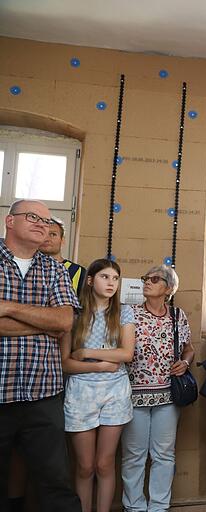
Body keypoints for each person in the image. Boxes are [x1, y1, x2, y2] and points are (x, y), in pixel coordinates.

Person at [0, 199, 81, 512]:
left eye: (47, 221)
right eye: (33, 216)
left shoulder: (54, 269)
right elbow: (52, 323)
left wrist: (7, 308)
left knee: (56, 484)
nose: (41, 224)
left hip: (43, 394)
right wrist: (40, 323)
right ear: (10, 221)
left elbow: (63, 322)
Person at [61, 258, 136, 512]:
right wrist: (100, 364)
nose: (111, 283)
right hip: (81, 391)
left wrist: (86, 352)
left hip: (115, 391)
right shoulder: (74, 312)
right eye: (105, 277)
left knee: (105, 464)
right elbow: (66, 364)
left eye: (115, 278)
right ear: (91, 280)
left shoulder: (124, 311)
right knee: (85, 466)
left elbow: (126, 354)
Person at [122, 265, 194, 512]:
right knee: (134, 456)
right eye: (145, 278)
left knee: (164, 455)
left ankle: (159, 507)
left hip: (168, 396)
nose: (147, 282)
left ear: (169, 289)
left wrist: (184, 363)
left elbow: (189, 348)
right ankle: (134, 507)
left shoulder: (178, 316)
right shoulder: (129, 314)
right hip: (134, 395)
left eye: (154, 279)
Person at [40, 216, 86, 296]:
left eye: (53, 234)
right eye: (43, 234)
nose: (47, 238)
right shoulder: (25, 267)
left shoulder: (78, 271)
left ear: (62, 240)